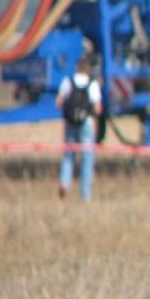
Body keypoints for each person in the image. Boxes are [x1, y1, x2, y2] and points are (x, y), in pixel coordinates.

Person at [55, 52, 102, 200]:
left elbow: (59, 102)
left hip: (70, 123)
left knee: (69, 155)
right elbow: (97, 108)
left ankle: (64, 182)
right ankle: (85, 194)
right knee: (87, 158)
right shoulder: (92, 84)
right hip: (86, 124)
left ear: (76, 67)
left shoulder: (68, 81)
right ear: (88, 68)